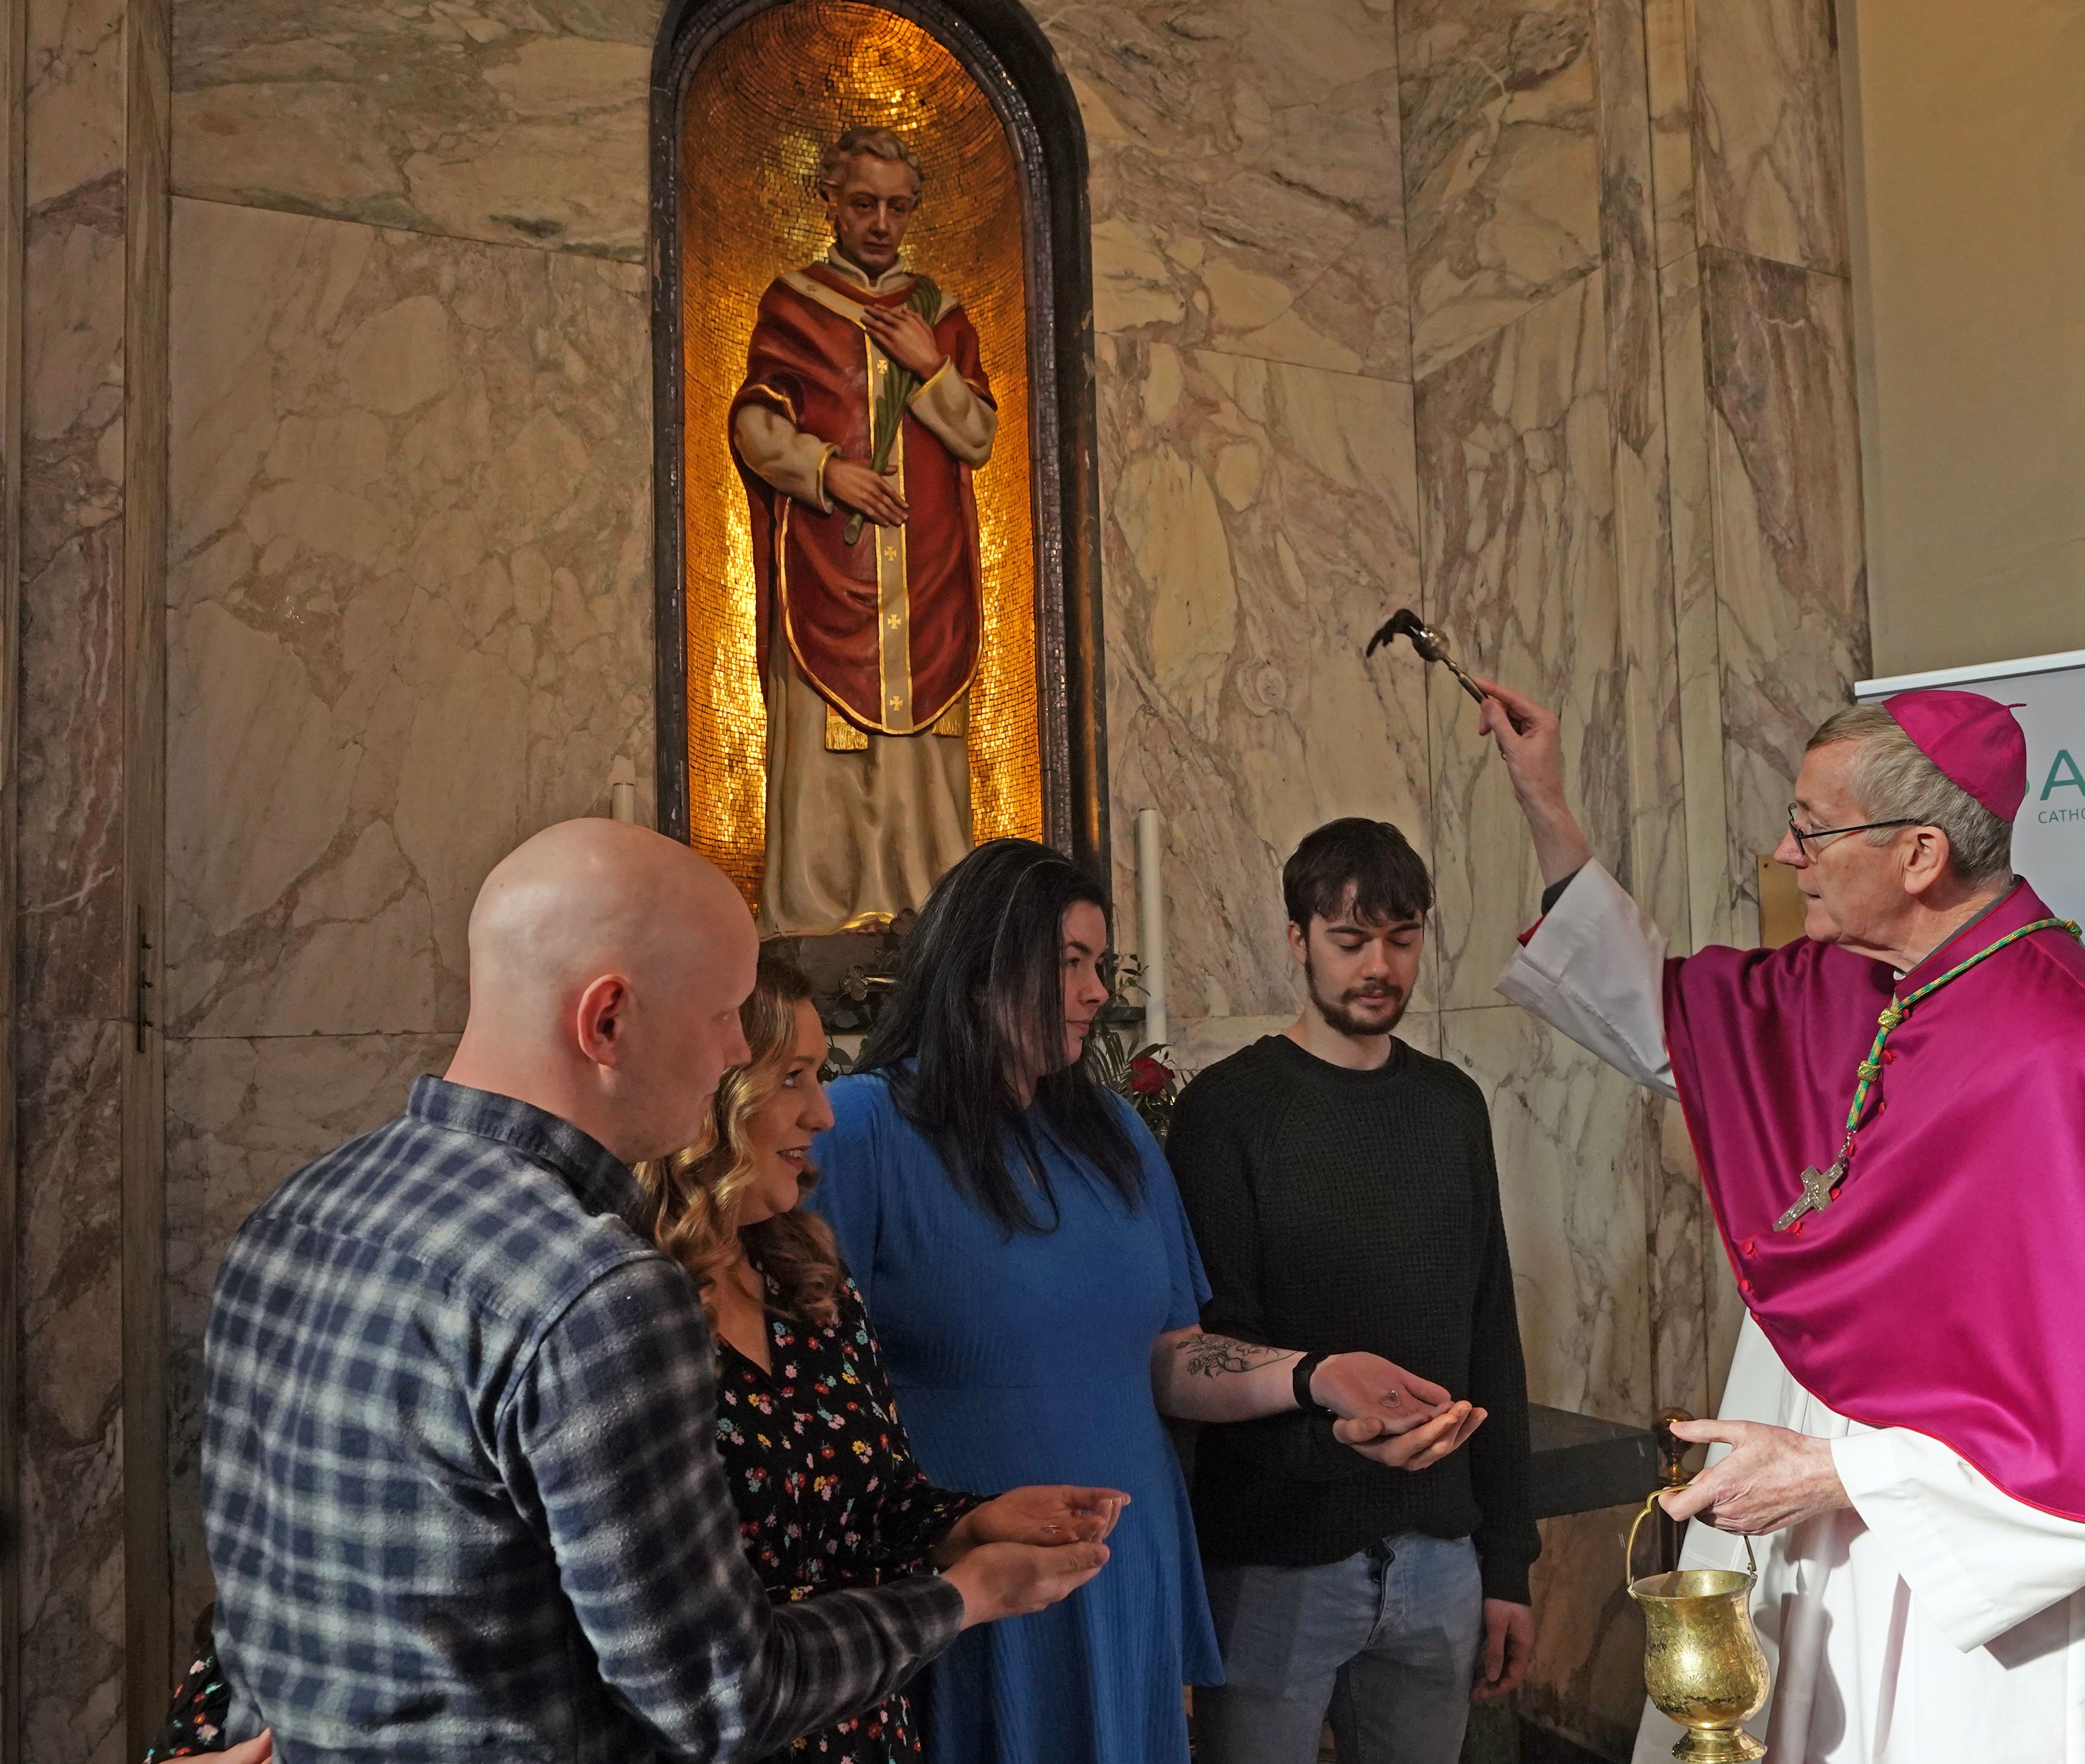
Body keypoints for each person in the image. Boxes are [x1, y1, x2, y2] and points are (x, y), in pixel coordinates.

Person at [1475, 683, 2085, 1763]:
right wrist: (1548, 807)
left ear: (1919, 855)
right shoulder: (1860, 985)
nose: (1784, 852)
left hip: (2013, 1614)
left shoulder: (2061, 1055)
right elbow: (1667, 1024)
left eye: (1811, 828)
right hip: (1852, 1537)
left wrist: (1843, 1476)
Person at [195, 820, 1104, 1760]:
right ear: (608, 1020)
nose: (727, 1060)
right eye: (721, 1016)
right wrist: (966, 1594)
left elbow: (262, 1615)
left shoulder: (296, 1211)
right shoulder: (596, 1289)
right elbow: (721, 1696)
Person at [807, 838, 1483, 1764]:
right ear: (978, 964)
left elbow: (1175, 1355)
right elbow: (809, 1378)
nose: (1093, 991)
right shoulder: (862, 1127)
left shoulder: (1111, 1130)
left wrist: (1317, 1376)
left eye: (1097, 963)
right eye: (1068, 964)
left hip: (1126, 1563)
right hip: (974, 1569)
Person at [637, 950, 1136, 1762]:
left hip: (863, 1731)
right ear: (715, 1095)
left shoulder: (807, 1280)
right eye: (792, 1077)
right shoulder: (621, 1306)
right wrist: (961, 1596)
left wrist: (970, 1522)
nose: (823, 1115)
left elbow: (880, 1505)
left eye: (820, 1075)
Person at [1169, 819, 1538, 1762]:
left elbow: (1490, 1332)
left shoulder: (1452, 1106)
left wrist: (1508, 1567)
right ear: (1297, 940)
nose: (1379, 965)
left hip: (1440, 1556)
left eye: (1402, 938)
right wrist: (1338, 1441)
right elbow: (1213, 1341)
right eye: (1350, 940)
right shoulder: (1228, 1110)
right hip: (1273, 1561)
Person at [733, 125, 997, 934]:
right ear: (831, 205)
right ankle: (820, 913)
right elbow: (753, 420)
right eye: (862, 205)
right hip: (831, 567)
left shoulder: (940, 316)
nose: (880, 223)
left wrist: (932, 366)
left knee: (923, 748)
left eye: (896, 207)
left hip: (925, 574)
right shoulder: (795, 301)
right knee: (824, 744)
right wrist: (823, 471)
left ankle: (931, 910)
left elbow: (980, 436)